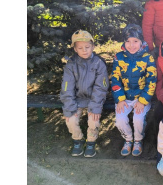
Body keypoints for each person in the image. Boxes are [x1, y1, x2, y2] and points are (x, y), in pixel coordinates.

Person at [60, 30, 110, 158]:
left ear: (93, 46)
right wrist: (70, 108)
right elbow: (67, 88)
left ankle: (91, 142)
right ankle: (78, 140)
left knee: (94, 120)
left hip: (94, 100)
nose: (84, 50)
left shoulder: (99, 63)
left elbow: (101, 87)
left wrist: (95, 107)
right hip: (77, 100)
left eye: (87, 47)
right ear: (75, 49)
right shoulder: (71, 64)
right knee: (70, 120)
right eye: (80, 48)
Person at [111, 24, 157, 157]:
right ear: (124, 42)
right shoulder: (118, 57)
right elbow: (115, 79)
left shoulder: (148, 58)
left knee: (138, 119)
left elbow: (151, 81)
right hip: (124, 97)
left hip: (141, 98)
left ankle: (138, 140)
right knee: (120, 119)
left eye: (135, 41)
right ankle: (128, 139)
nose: (131, 45)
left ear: (141, 41)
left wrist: (142, 101)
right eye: (128, 41)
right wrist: (120, 99)